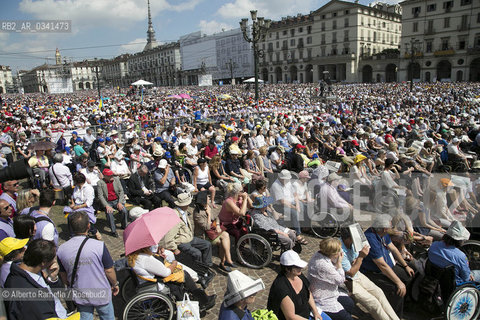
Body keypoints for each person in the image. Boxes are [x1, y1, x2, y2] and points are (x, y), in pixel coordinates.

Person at [57, 211, 118, 320]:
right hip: (101, 292)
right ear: (88, 226)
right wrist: (114, 283)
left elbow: (63, 276)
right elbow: (109, 270)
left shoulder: (61, 249)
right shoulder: (99, 246)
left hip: (80, 293)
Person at [126, 246, 216, 312]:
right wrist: (174, 263)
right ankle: (202, 301)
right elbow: (166, 272)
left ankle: (197, 296)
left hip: (147, 281)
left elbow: (154, 266)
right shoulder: (145, 258)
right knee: (184, 275)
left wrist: (160, 258)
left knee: (183, 275)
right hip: (156, 284)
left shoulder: (135, 257)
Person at [360, 214, 416, 318]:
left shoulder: (382, 233)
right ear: (385, 229)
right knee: (396, 289)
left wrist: (405, 266)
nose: (392, 228)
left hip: (387, 266)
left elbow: (394, 249)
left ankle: (405, 303)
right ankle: (394, 315)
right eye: (390, 226)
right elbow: (381, 265)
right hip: (374, 272)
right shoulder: (370, 238)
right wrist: (399, 282)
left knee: (409, 275)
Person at [339, 229, 399, 320]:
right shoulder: (340, 249)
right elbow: (351, 272)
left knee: (379, 293)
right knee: (373, 303)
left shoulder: (352, 244)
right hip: (349, 281)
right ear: (348, 239)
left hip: (357, 274)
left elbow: (354, 263)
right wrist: (360, 257)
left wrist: (356, 261)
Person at [4, 239, 67, 320]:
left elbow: (58, 294)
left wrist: (53, 278)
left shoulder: (34, 272)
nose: (55, 261)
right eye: (53, 258)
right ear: (43, 262)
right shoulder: (26, 292)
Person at [267, 250, 327, 320]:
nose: (300, 268)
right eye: (297, 267)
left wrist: (315, 312)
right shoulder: (281, 287)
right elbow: (290, 317)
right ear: (287, 269)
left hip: (307, 315)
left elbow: (308, 294)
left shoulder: (299, 275)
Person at [159, 192, 213, 267]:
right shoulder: (175, 216)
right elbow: (168, 237)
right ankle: (198, 269)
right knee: (197, 253)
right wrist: (174, 249)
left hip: (189, 237)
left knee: (207, 244)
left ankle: (207, 266)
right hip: (181, 241)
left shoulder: (183, 212)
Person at [308, 237, 357, 320]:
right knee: (346, 317)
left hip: (331, 291)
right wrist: (339, 263)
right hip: (322, 298)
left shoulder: (320, 254)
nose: (341, 252)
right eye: (339, 250)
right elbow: (340, 280)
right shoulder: (322, 265)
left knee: (349, 304)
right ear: (333, 254)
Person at [193, 191, 236, 272]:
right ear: (203, 200)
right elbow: (206, 227)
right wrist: (209, 215)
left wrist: (218, 225)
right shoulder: (197, 213)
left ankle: (227, 260)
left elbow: (217, 217)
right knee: (222, 242)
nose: (210, 198)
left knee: (226, 235)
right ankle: (224, 262)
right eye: (208, 197)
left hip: (212, 231)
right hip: (203, 235)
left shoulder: (208, 206)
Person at [97, 168, 129, 237]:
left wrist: (120, 202)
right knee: (109, 213)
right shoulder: (100, 183)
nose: (112, 177)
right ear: (105, 176)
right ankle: (113, 231)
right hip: (108, 202)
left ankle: (124, 225)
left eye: (112, 175)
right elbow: (100, 196)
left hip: (117, 200)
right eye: (110, 176)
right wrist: (106, 205)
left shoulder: (116, 179)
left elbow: (121, 191)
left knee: (124, 211)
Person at [68, 172, 100, 240]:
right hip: (77, 206)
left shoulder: (88, 188)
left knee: (83, 218)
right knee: (69, 216)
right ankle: (73, 234)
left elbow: (89, 203)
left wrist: (78, 207)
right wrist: (73, 203)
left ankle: (94, 231)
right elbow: (73, 197)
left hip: (85, 207)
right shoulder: (76, 187)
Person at [271, 169, 302, 235]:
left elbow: (295, 194)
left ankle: (305, 227)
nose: (288, 180)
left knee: (304, 205)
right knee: (294, 212)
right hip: (280, 206)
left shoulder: (288, 182)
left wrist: (298, 205)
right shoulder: (276, 185)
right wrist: (295, 207)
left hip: (291, 203)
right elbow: (283, 202)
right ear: (281, 178)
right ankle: (298, 233)